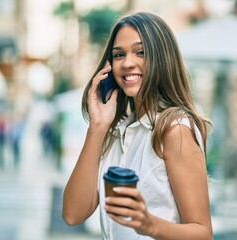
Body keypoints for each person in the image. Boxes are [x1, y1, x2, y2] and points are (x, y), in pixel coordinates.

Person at [62, 12, 213, 240]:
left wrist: (148, 224)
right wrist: (98, 127)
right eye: (119, 55)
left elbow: (203, 233)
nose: (127, 63)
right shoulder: (116, 131)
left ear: (162, 58)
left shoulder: (175, 128)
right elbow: (73, 214)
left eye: (140, 52)